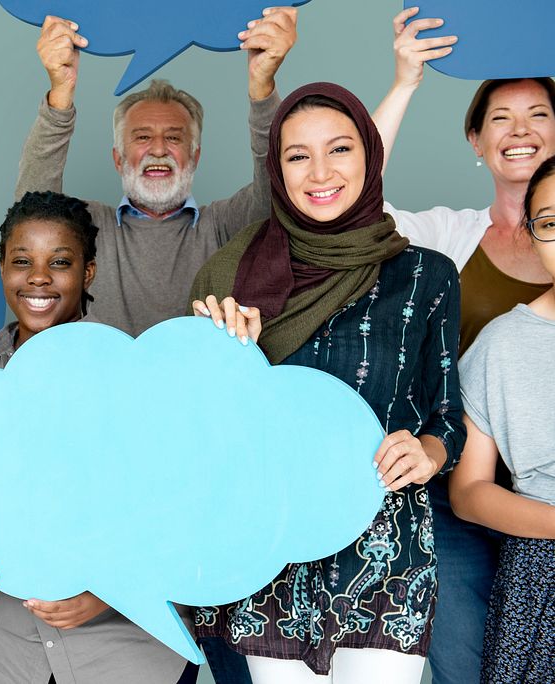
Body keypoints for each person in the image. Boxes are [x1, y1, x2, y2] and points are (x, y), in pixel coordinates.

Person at [190, 82, 465, 683]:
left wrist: (428, 451)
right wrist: (231, 354)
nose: (320, 171)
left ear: (369, 156)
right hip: (275, 548)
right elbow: (203, 431)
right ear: (277, 170)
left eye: (339, 149)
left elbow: (448, 414)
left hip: (385, 548)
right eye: (297, 155)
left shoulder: (426, 275)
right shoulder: (232, 277)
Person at [0, 191, 198, 684]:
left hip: (126, 655)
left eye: (61, 262)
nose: (39, 277)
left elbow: (183, 513)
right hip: (12, 654)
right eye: (22, 261)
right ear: (3, 269)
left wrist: (107, 593)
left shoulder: (137, 378)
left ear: (88, 273)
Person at [370, 10, 555, 682]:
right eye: (500, 118)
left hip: (549, 484)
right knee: (470, 663)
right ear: (475, 140)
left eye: (538, 114)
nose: (521, 131)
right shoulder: (445, 238)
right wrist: (405, 81)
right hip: (456, 492)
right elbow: (353, 198)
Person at [16, 9, 298, 339]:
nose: (159, 148)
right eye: (142, 136)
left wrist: (262, 89)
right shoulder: (88, 226)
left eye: (174, 137)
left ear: (195, 156)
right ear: (118, 159)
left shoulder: (224, 225)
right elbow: (31, 214)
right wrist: (60, 95)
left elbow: (278, 188)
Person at [449, 156, 555, 683]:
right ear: (532, 236)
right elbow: (468, 490)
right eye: (552, 223)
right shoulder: (501, 345)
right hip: (539, 571)